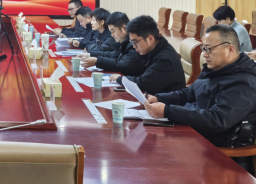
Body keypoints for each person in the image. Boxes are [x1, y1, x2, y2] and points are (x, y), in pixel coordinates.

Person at [144, 25, 256, 173]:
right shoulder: (215, 69)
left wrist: (168, 111)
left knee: (153, 158)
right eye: (203, 48)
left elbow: (216, 120)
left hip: (215, 152)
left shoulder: (243, 83)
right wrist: (159, 98)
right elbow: (188, 93)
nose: (204, 54)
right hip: (193, 134)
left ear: (230, 49)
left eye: (208, 49)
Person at [109, 15, 185, 94]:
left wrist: (121, 79)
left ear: (150, 39)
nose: (134, 46)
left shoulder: (164, 60)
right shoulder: (153, 49)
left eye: (135, 42)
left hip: (164, 100)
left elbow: (145, 83)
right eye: (131, 42)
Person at [80, 12, 147, 76]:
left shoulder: (133, 43)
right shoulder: (122, 41)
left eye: (113, 31)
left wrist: (98, 61)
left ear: (124, 28)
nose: (112, 35)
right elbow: (113, 55)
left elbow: (126, 65)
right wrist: (90, 55)